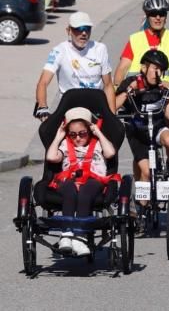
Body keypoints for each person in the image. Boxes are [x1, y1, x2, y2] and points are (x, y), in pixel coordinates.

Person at [44, 107, 117, 257]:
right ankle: (66, 235)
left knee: (85, 192)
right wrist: (59, 137)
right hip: (69, 180)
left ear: (89, 130)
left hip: (93, 180)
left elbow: (110, 153)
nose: (77, 138)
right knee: (69, 190)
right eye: (73, 134)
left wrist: (98, 132)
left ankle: (80, 237)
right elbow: (51, 157)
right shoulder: (65, 144)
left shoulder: (97, 144)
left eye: (82, 134)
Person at [115, 49, 169, 210]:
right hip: (137, 132)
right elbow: (114, 106)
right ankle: (142, 209)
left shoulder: (163, 87)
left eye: (161, 70)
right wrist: (130, 90)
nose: (157, 73)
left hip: (157, 128)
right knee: (146, 173)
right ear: (144, 68)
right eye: (154, 68)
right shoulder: (131, 82)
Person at [113, 0, 169, 120]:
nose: (158, 17)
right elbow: (122, 68)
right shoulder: (135, 39)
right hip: (141, 93)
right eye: (154, 14)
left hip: (167, 92)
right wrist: (118, 89)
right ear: (147, 15)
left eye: (162, 13)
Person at [35, 12, 114, 119]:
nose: (84, 33)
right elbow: (43, 83)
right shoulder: (59, 51)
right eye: (79, 28)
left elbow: (108, 85)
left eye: (87, 28)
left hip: (96, 107)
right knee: (47, 132)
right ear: (69, 31)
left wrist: (112, 117)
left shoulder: (100, 49)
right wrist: (42, 107)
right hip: (69, 108)